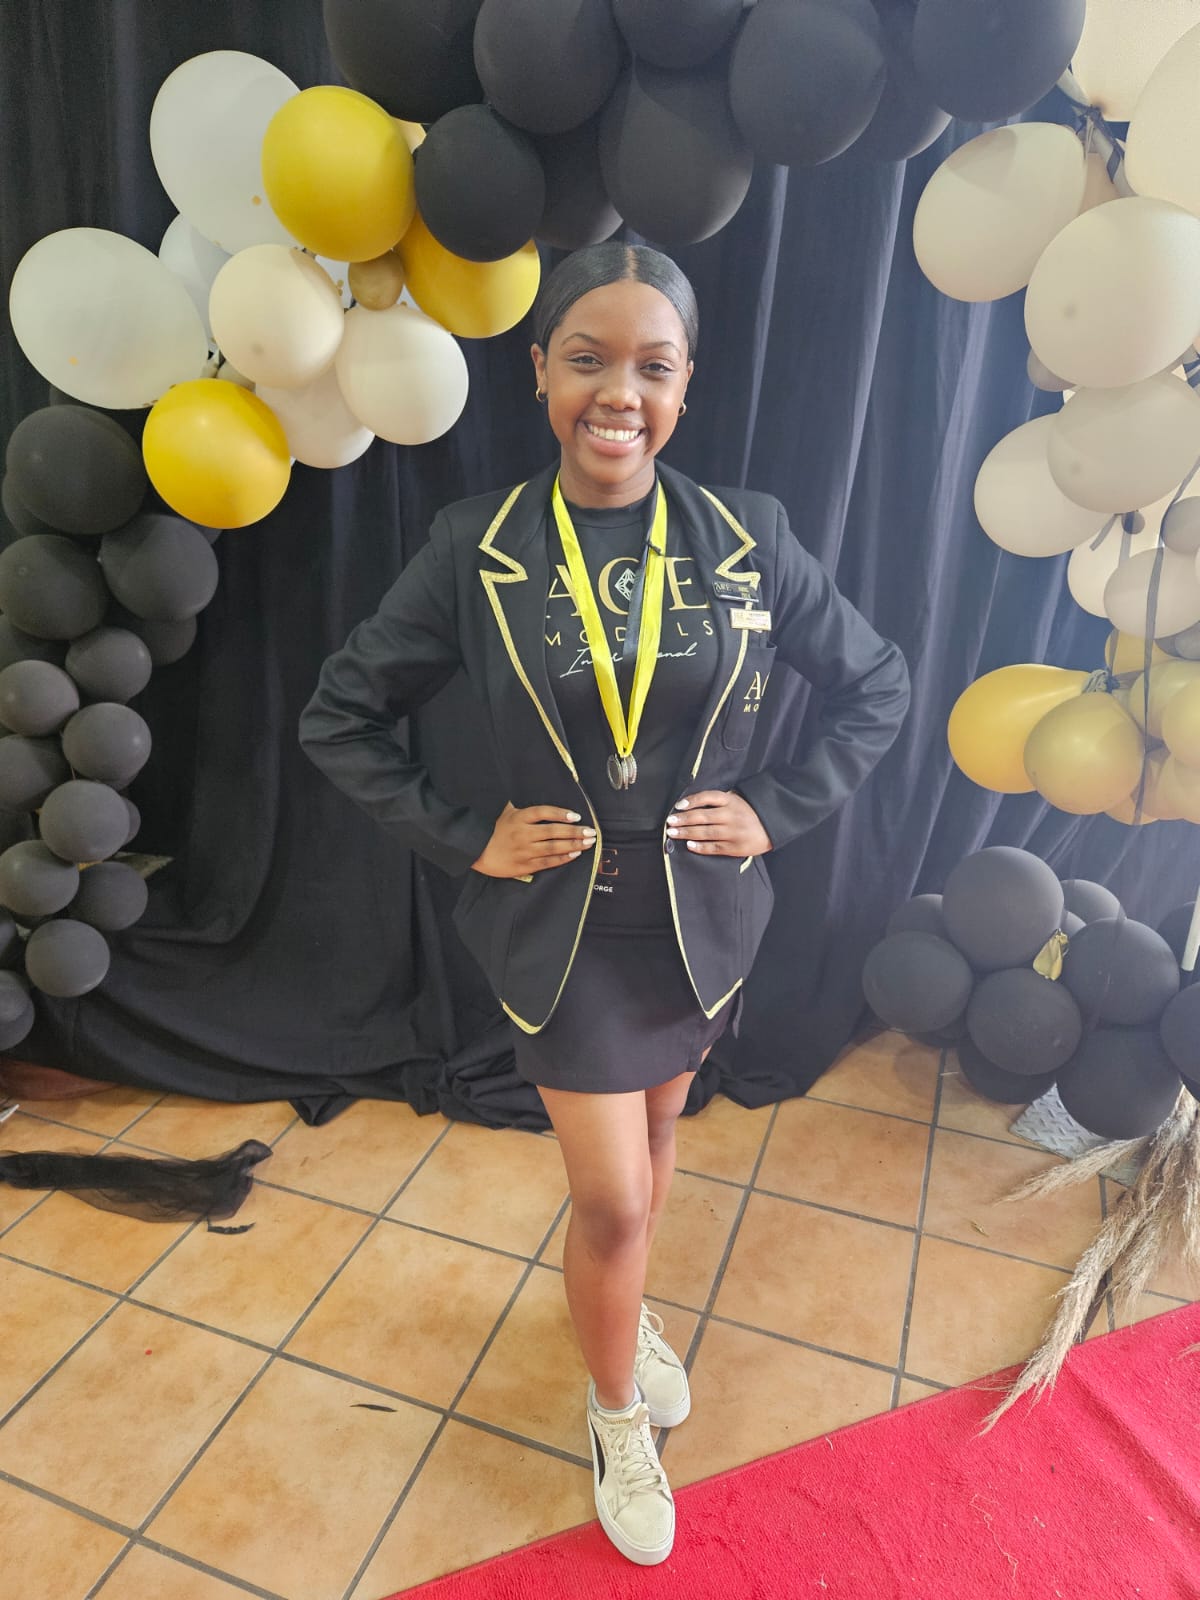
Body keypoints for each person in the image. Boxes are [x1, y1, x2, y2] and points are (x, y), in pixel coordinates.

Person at [299, 242, 909, 1567]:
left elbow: (876, 684)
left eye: (653, 365)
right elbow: (341, 716)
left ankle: (622, 1317)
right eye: (588, 359)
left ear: (686, 386)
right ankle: (616, 1411)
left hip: (699, 919)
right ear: (540, 372)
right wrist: (466, 836)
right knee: (617, 1204)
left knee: (663, 1132)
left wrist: (779, 808)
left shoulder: (749, 539)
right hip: (563, 925)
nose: (619, 391)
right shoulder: (479, 545)